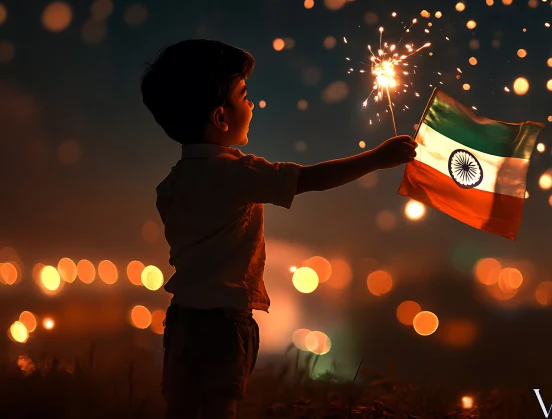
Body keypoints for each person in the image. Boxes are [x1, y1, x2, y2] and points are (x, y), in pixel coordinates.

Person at [140, 39, 417, 419]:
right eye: (244, 95)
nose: (252, 105)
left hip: (182, 319)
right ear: (221, 117)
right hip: (224, 321)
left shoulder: (170, 186)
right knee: (222, 406)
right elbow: (308, 179)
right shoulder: (238, 172)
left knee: (183, 406)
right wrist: (377, 158)